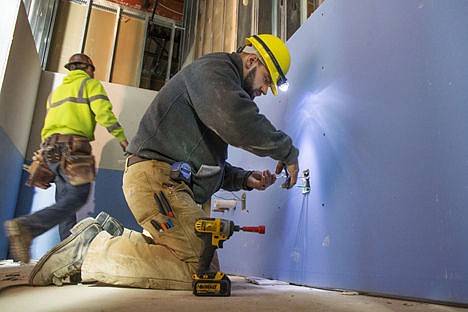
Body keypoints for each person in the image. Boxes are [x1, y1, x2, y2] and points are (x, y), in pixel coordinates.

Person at [28, 34, 299, 290]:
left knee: (199, 260)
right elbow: (237, 121)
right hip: (158, 180)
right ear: (252, 60)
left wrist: (243, 178)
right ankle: (88, 251)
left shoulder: (217, 85)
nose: (265, 90)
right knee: (199, 268)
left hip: (165, 181)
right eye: (266, 80)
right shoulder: (216, 70)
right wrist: (286, 151)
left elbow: (201, 160)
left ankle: (108, 238)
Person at [4, 53, 128, 264]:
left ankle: (67, 257)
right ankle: (28, 226)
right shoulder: (90, 84)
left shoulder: (57, 92)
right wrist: (122, 139)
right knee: (77, 197)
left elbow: (47, 126)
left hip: (49, 151)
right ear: (88, 68)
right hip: (74, 150)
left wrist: (43, 152)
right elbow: (104, 112)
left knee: (65, 204)